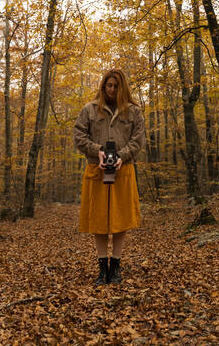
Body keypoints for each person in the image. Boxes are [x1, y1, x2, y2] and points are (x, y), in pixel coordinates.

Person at [73, 69, 145, 285]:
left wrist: (122, 156)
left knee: (120, 219)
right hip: (97, 170)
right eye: (109, 85)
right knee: (98, 220)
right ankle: (102, 268)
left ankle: (116, 267)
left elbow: (138, 140)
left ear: (122, 87)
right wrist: (98, 151)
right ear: (103, 86)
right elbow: (79, 136)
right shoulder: (89, 109)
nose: (112, 90)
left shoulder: (134, 112)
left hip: (124, 171)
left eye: (116, 86)